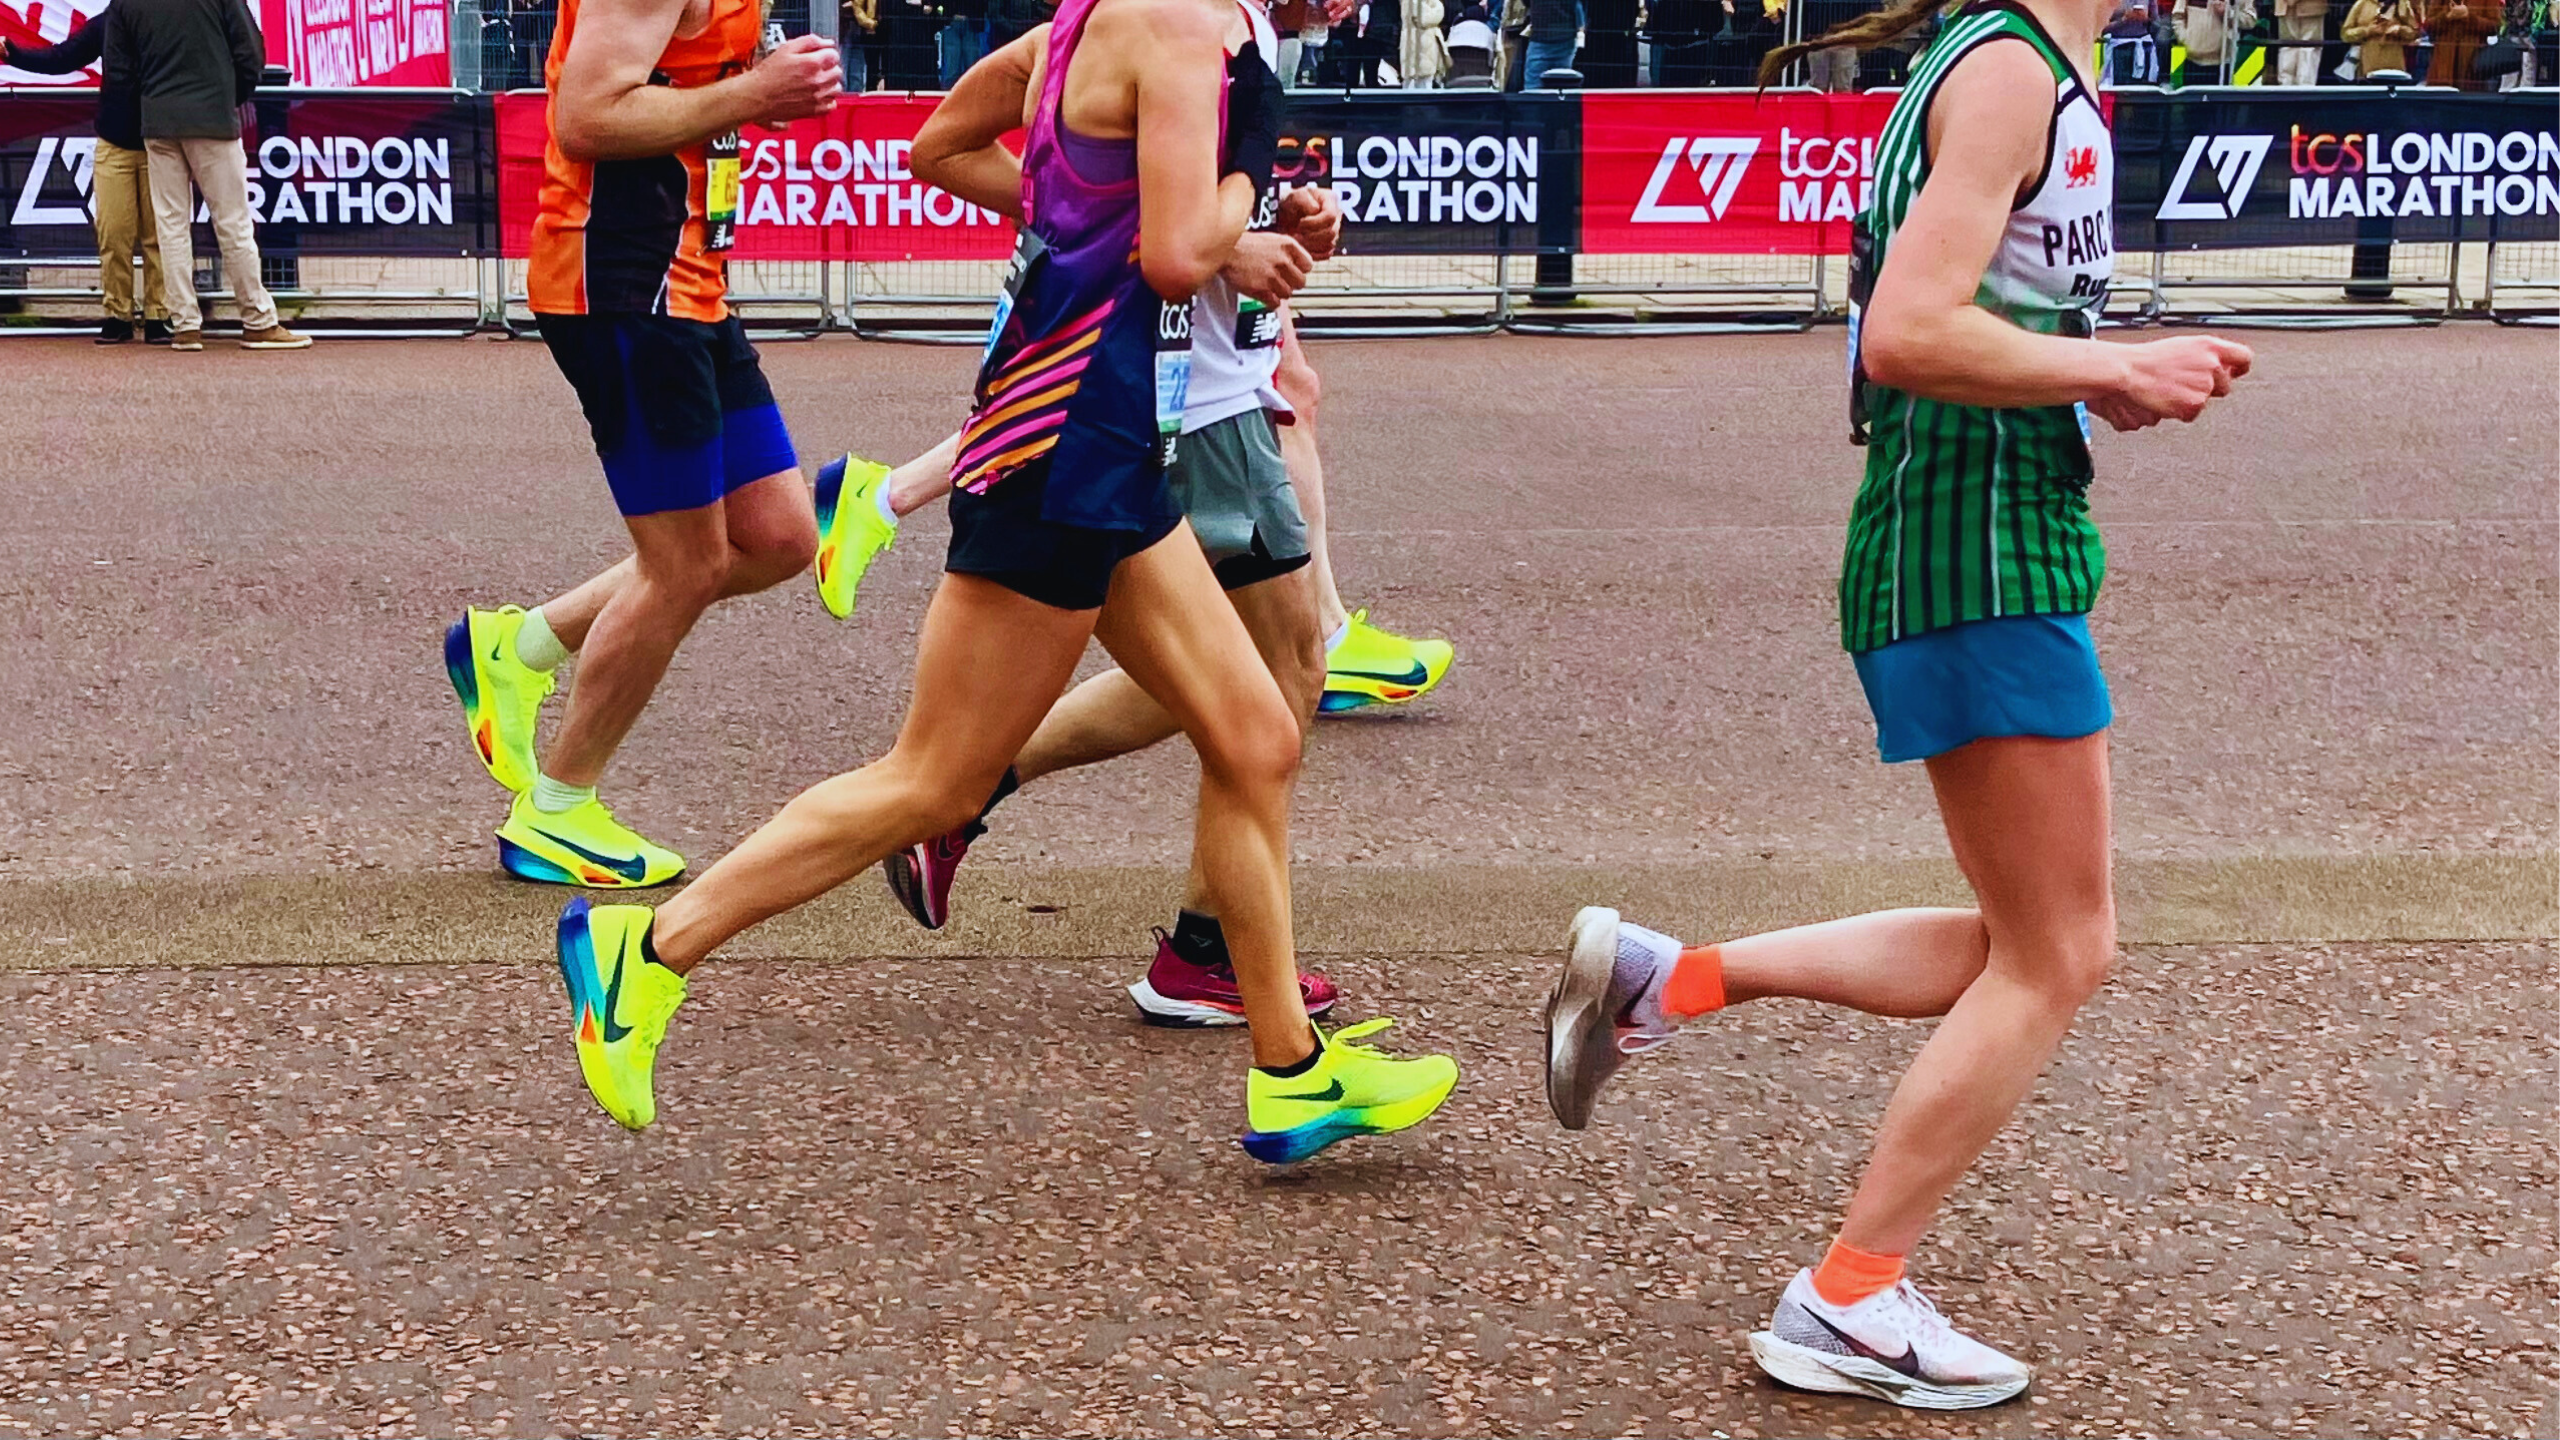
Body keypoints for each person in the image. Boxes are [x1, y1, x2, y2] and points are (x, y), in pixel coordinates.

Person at [549, 0, 1459, 1161]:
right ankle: (649, 952)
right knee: (932, 781)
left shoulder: (1095, 16)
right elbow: (1181, 254)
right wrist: (1236, 192)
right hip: (1063, 443)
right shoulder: (1185, 31)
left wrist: (1111, 211)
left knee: (1256, 735)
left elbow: (954, 148)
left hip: (1115, 437)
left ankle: (1290, 1072)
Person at [1544, 0, 2251, 1411]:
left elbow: (1974, 319)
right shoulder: (2006, 73)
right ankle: (1849, 1296)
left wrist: (2088, 376)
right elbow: (1907, 332)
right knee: (2059, 955)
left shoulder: (2010, 61)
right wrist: (2113, 365)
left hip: (1982, 533)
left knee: (2029, 938)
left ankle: (1667, 981)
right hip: (1971, 547)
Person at [803, 0, 1361, 1027]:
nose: (1345, 8)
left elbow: (1150, 205)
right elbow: (950, 148)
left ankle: (1219, 975)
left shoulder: (1226, 34)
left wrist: (1270, 225)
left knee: (1246, 690)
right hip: (1165, 404)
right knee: (1269, 686)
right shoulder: (1159, 23)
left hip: (1173, 396)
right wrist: (1170, 234)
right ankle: (1192, 947)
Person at [442, 0, 840, 890]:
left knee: (779, 537)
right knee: (685, 565)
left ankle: (518, 647)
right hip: (619, 281)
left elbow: (679, 82)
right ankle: (555, 810)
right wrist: (750, 93)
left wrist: (752, 92)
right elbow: (584, 118)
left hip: (691, 280)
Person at [104, 0, 307, 351]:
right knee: (233, 222)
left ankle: (184, 325)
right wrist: (228, 97)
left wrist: (151, 103)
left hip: (159, 122)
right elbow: (251, 54)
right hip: (213, 118)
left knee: (171, 226)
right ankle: (257, 320)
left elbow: (119, 70)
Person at [4, 11, 169, 345]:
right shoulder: (107, 22)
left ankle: (159, 316)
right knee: (112, 232)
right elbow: (64, 58)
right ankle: (118, 315)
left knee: (162, 236)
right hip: (114, 142)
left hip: (161, 142)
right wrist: (14, 53)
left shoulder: (168, 19)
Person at [2173, 0, 2257, 81]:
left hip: (2222, 64)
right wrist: (2185, 38)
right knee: (2192, 95)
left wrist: (2228, 12)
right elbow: (2178, 16)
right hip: (2192, 60)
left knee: (2219, 95)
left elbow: (2250, 20)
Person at [2424, 0, 2503, 83]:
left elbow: (2494, 26)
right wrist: (2447, 17)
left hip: (2472, 65)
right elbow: (2428, 26)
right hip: (2442, 67)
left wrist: (2469, 17)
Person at [2340, 0, 2420, 75]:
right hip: (2366, 66)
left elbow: (2414, 33)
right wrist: (2367, 31)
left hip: (2394, 67)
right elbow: (2346, 35)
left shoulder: (2402, 4)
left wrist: (2399, 30)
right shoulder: (2363, 3)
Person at [2274, 0, 2330, 81]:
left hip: (2286, 6)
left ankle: (2286, 85)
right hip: (2311, 7)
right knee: (2308, 47)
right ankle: (2303, 86)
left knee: (2288, 46)